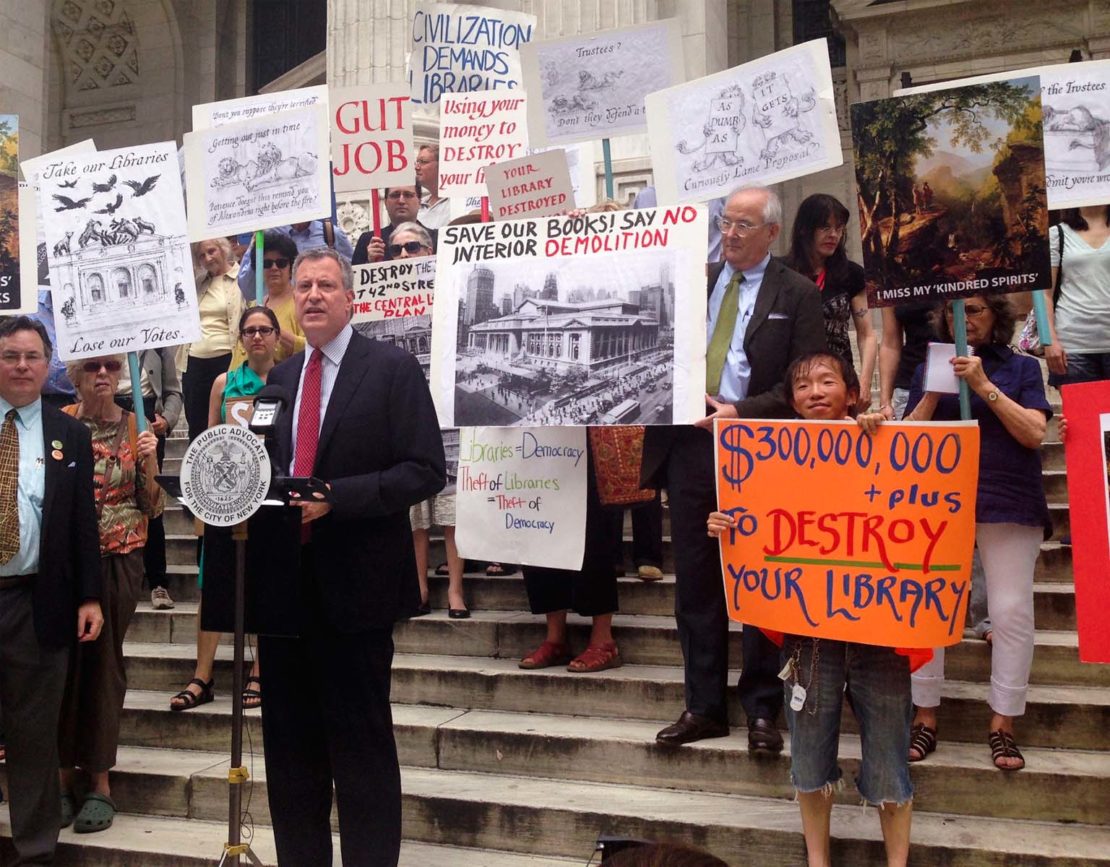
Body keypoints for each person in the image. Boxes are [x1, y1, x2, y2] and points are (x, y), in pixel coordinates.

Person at [260, 248, 445, 865]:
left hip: (357, 593)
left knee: (361, 751)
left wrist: (337, 499)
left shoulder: (391, 369)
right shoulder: (280, 381)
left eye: (326, 286)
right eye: (304, 285)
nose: (312, 295)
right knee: (289, 753)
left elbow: (424, 470)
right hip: (285, 593)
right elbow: (266, 469)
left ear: (349, 298)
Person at [708, 352, 915, 867]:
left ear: (851, 390)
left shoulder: (882, 440)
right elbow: (758, 522)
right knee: (808, 755)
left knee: (890, 758)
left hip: (880, 631)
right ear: (792, 398)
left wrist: (877, 431)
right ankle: (817, 861)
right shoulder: (767, 454)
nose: (815, 392)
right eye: (803, 385)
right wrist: (725, 525)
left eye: (828, 381)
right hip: (808, 635)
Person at [642, 185, 826, 753]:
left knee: (761, 577)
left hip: (760, 447)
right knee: (696, 580)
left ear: (772, 232)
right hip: (691, 447)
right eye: (726, 222)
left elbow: (806, 378)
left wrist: (739, 411)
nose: (731, 234)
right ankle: (703, 706)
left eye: (745, 225)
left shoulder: (795, 292)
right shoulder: (692, 281)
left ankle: (764, 709)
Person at [904, 294, 1051, 771]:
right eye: (954, 312)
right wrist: (933, 389)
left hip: (1006, 499)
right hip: (938, 500)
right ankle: (925, 714)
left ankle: (1003, 723)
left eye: (976, 310)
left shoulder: (1022, 369)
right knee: (927, 606)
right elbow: (906, 441)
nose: (964, 319)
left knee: (1009, 611)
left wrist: (984, 385)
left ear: (997, 318)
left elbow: (1034, 433)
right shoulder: (932, 364)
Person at [0, 316, 102, 863]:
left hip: (38, 601)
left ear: (48, 365)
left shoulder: (70, 434)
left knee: (34, 735)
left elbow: (83, 522)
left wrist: (90, 596)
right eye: (10, 355)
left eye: (32, 356)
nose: (21, 366)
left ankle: (35, 850)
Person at [57, 353, 163, 833]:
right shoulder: (57, 423)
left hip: (119, 556)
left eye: (112, 367)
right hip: (61, 562)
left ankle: (98, 781)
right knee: (59, 667)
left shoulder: (135, 425)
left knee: (103, 665)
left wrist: (150, 457)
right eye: (93, 366)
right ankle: (59, 778)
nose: (103, 375)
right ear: (74, 374)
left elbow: (152, 505)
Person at [169, 307, 280, 712]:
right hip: (225, 496)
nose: (256, 337)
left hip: (272, 497)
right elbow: (206, 441)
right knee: (212, 582)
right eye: (249, 330)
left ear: (277, 335)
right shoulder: (225, 381)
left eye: (264, 329)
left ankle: (259, 672)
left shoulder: (291, 379)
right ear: (240, 337)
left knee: (265, 583)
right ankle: (202, 675)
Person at [519, 445, 625, 673]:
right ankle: (555, 638)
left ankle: (603, 641)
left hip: (590, 442)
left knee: (594, 532)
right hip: (540, 443)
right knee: (541, 526)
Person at [785, 194, 878, 411]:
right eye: (825, 228)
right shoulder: (783, 273)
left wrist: (863, 384)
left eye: (839, 228)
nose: (833, 235)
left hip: (839, 381)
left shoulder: (851, 273)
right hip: (795, 383)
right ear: (804, 229)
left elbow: (867, 334)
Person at [115, 346, 182, 610]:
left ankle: (158, 581)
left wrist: (167, 419)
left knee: (152, 500)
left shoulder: (157, 345)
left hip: (147, 419)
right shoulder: (100, 337)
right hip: (111, 412)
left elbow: (173, 391)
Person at [179, 238, 244, 440]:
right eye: (201, 255)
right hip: (194, 362)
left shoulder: (242, 278)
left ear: (223, 249)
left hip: (228, 361)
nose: (207, 258)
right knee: (197, 426)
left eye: (211, 251)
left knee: (228, 424)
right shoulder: (197, 284)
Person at [1042, 205, 1110, 387]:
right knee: (1082, 415)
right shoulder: (1057, 234)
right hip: (1072, 345)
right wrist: (1049, 341)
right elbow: (1044, 293)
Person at [230, 230, 306, 365]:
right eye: (267, 263)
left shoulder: (301, 302)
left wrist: (271, 330)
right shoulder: (254, 306)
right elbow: (240, 353)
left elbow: (310, 347)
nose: (274, 268)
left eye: (281, 263)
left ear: (291, 266)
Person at [236, 220, 355, 298]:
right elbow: (248, 291)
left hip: (321, 311)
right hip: (280, 317)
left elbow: (352, 277)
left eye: (281, 263)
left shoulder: (330, 234)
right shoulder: (268, 234)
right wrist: (257, 243)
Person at [351, 184, 439, 265]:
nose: (401, 201)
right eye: (395, 195)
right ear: (385, 202)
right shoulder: (369, 241)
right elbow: (353, 280)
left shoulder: (437, 239)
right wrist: (369, 264)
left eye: (408, 195)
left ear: (419, 201)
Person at [415, 144, 451, 229]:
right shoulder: (416, 204)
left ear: (441, 165)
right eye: (417, 162)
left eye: (423, 162)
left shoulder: (460, 203)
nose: (416, 167)